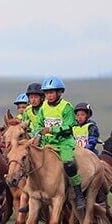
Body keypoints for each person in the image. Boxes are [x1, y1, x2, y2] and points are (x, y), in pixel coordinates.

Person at [32, 77, 86, 210]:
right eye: (47, 93)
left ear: (59, 93)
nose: (49, 96)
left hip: (64, 142)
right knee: (30, 159)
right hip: (47, 142)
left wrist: (52, 129)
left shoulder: (66, 107)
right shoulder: (43, 107)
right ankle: (32, 194)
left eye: (51, 92)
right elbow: (38, 124)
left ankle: (78, 194)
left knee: (69, 164)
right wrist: (37, 134)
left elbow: (69, 126)